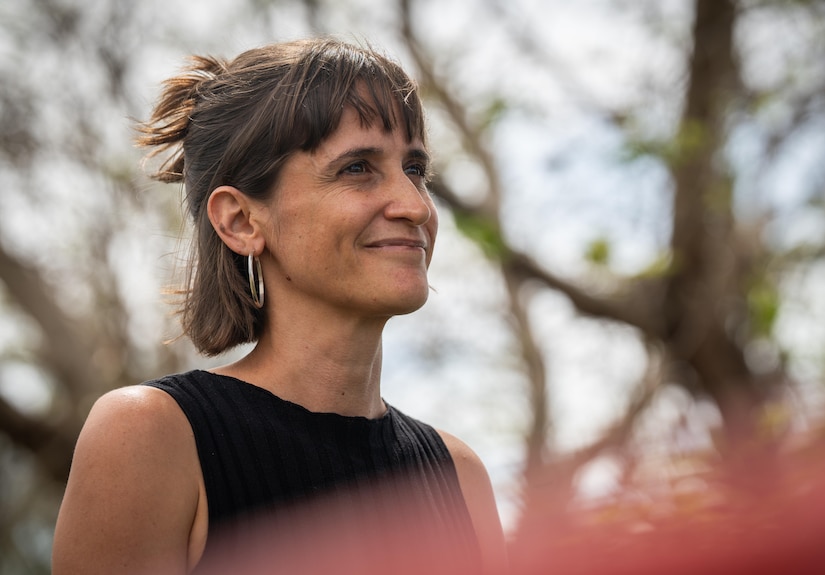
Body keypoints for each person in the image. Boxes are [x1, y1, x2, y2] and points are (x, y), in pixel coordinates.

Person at [52, 38, 506, 574]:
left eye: (415, 168)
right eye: (358, 167)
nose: (414, 205)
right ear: (241, 221)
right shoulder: (151, 435)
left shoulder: (460, 476)